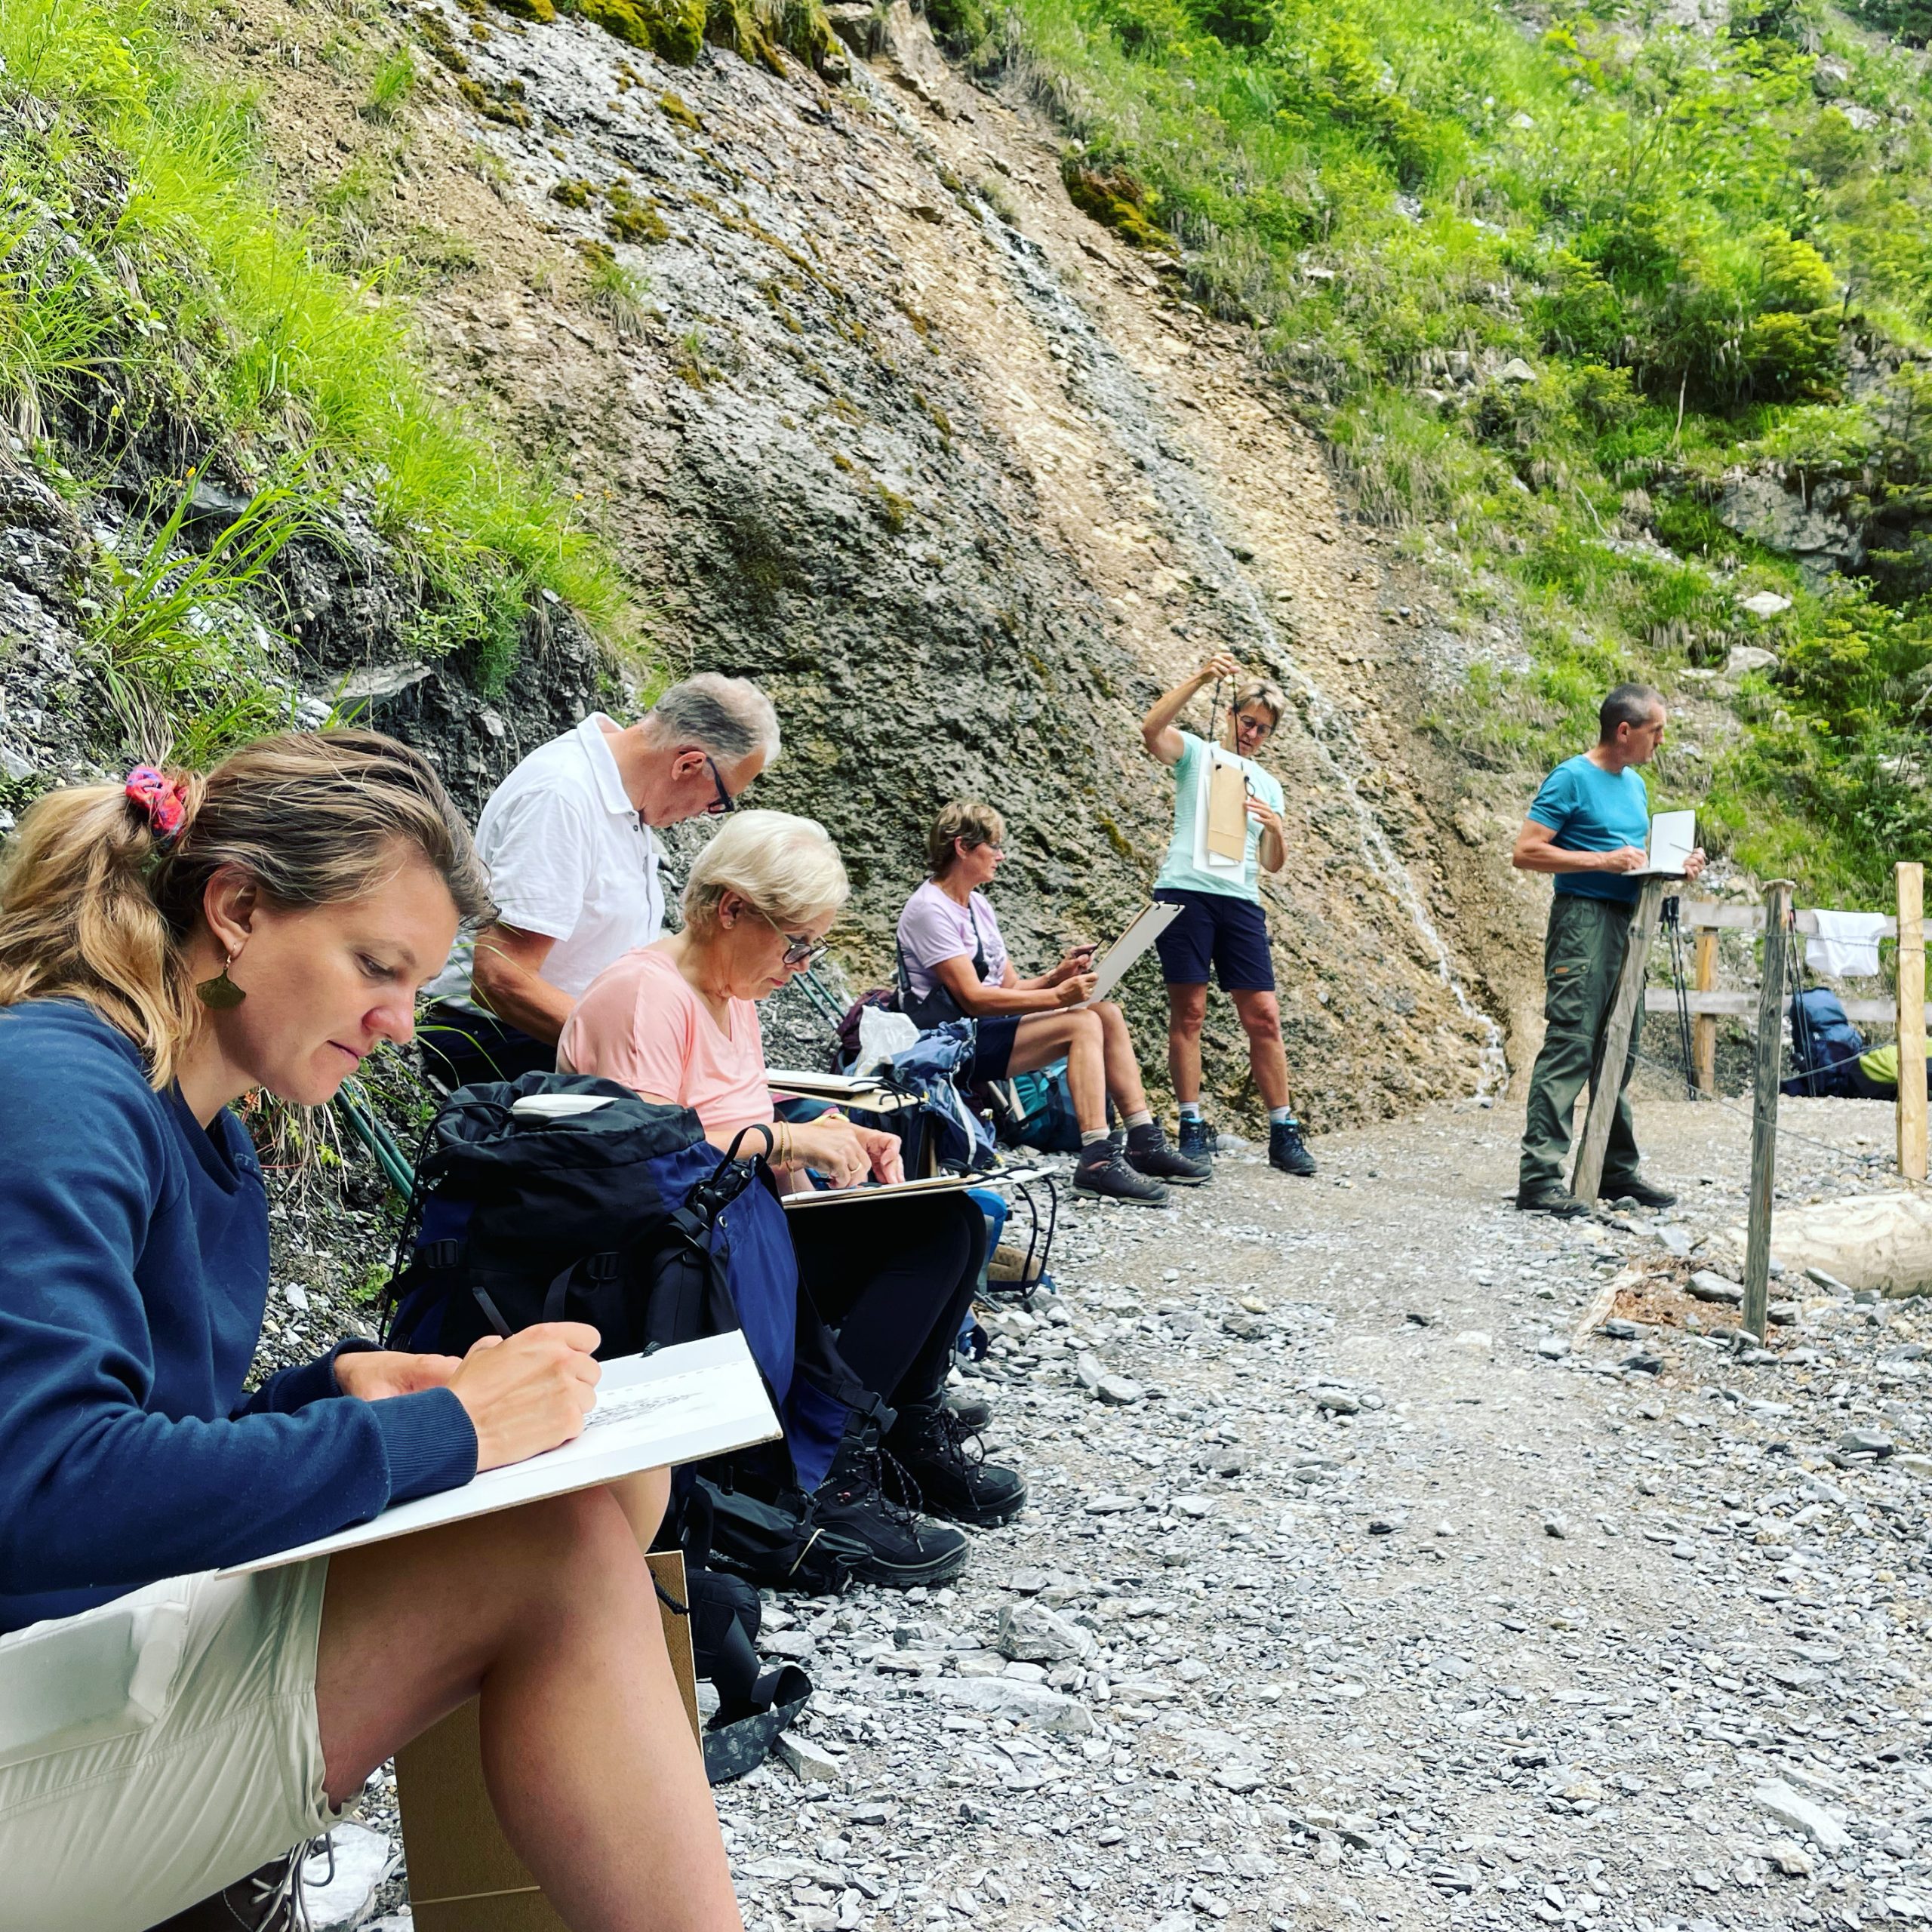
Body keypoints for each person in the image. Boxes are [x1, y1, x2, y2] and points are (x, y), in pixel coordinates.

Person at [0, 736, 740, 1932]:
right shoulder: (53, 1092)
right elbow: (38, 1486)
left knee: (600, 1487)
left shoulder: (199, 1128)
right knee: (544, 1553)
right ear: (237, 908)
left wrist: (328, 1393)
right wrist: (445, 1430)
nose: (399, 1025)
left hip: (67, 1658)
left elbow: (133, 1435)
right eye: (375, 968)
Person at [560, 811, 1026, 1589]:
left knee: (953, 1216)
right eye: (795, 942)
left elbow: (732, 1116)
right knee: (931, 1234)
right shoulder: (643, 995)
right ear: (730, 908)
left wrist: (828, 1131)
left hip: (739, 1231)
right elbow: (634, 1163)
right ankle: (825, 1469)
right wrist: (786, 1144)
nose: (800, 965)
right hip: (676, 1268)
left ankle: (900, 1432)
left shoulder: (729, 992)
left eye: (813, 945)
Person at [420, 673, 780, 1089]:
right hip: (495, 1041)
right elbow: (502, 978)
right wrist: (636, 1053)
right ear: (688, 764)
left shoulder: (626, 797)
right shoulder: (563, 797)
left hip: (564, 1037)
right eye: (720, 800)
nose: (710, 812)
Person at [897, 801, 1209, 1206]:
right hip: (946, 1045)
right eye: (993, 845)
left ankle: (1144, 1140)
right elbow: (973, 998)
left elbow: (1009, 986)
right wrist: (1059, 999)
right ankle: (1097, 1159)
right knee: (1080, 1025)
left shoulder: (978, 905)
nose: (1001, 855)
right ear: (962, 848)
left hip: (980, 1031)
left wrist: (1057, 977)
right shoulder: (929, 909)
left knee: (1106, 1014)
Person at [1512, 683, 1706, 1217]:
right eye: (1656, 731)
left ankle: (1612, 1170)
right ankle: (1540, 1180)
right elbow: (1526, 852)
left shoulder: (1636, 787)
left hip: (1631, 924)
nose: (1661, 742)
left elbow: (1632, 858)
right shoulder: (1571, 778)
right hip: (1583, 922)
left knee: (1620, 1046)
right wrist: (1600, 862)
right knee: (1572, 1041)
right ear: (1625, 731)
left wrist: (1675, 868)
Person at [1140, 652, 1316, 1177]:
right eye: (1247, 722)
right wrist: (1200, 677)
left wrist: (1278, 829)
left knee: (1264, 1015)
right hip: (1186, 892)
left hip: (1241, 901)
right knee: (1189, 1012)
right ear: (1231, 717)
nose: (1254, 734)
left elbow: (1272, 865)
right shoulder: (1196, 753)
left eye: (1264, 729)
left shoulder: (1269, 784)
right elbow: (1151, 730)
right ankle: (1191, 1126)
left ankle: (1283, 1130)